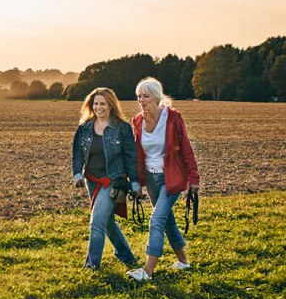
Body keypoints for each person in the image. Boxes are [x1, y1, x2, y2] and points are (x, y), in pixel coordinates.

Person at [128, 77, 200, 281]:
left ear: (156, 97)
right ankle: (184, 262)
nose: (141, 100)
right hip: (151, 178)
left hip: (171, 177)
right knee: (167, 220)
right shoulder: (138, 120)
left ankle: (147, 272)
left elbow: (186, 149)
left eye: (146, 96)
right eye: (138, 96)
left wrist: (194, 178)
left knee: (157, 219)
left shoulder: (173, 118)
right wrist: (134, 179)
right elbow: (137, 152)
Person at [70, 87, 141, 271]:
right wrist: (77, 173)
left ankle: (92, 266)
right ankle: (126, 256)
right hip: (91, 181)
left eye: (103, 103)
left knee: (96, 222)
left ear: (111, 105)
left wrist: (134, 182)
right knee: (107, 222)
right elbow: (77, 153)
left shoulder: (122, 128)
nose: (99, 107)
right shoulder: (84, 128)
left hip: (113, 182)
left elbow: (131, 157)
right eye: (96, 103)